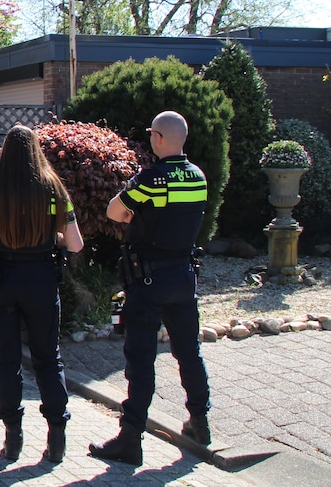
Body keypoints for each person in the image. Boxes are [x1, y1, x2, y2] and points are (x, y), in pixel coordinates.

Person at [89, 110, 212, 467]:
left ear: (158, 138)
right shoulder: (198, 177)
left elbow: (115, 212)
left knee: (140, 359)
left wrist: (136, 215)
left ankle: (130, 438)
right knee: (189, 352)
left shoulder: (151, 179)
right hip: (184, 278)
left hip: (147, 281)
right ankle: (200, 423)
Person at [0, 125, 85, 464]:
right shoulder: (53, 189)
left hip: (0, 281)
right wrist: (50, 239)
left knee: (7, 361)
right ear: (36, 151)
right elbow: (75, 244)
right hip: (41, 281)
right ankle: (57, 439)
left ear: (4, 151)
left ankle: (13, 439)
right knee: (48, 359)